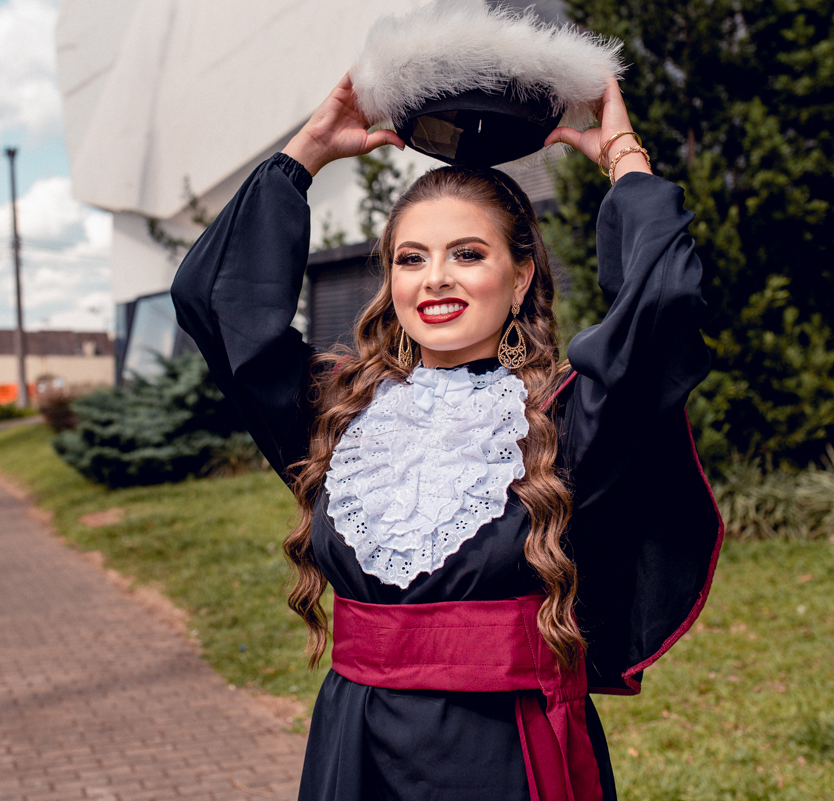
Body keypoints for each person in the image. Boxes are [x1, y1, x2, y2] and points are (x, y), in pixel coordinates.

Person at [171, 73, 722, 801]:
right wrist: (305, 151)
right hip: (353, 755)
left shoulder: (563, 422)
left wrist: (622, 153)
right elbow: (212, 299)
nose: (434, 280)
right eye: (411, 257)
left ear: (520, 277)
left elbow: (666, 303)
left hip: (505, 757)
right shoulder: (336, 415)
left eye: (468, 254)